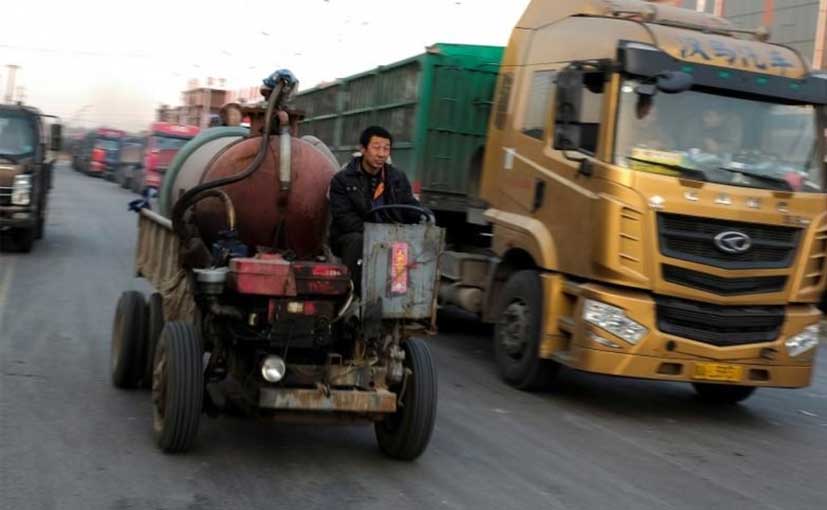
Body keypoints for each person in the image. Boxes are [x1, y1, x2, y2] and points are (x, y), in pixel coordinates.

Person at [328, 126, 422, 294]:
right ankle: (352, 295)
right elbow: (344, 218)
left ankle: (398, 298)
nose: (381, 154)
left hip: (388, 233)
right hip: (352, 235)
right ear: (363, 149)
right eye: (376, 147)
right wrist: (375, 234)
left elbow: (408, 204)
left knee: (408, 242)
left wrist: (421, 215)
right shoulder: (342, 180)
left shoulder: (397, 178)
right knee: (358, 241)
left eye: (386, 149)